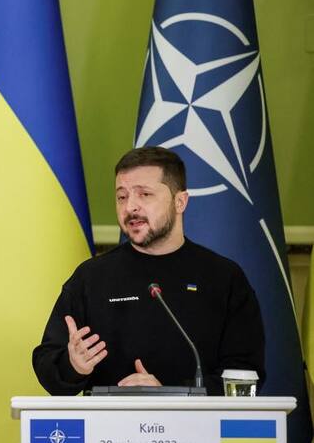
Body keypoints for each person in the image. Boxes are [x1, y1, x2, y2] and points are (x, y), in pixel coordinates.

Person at [32, 146, 264, 396]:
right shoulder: (92, 278)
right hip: (108, 429)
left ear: (180, 201)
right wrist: (73, 366)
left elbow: (246, 376)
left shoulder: (223, 278)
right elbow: (48, 365)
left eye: (144, 194)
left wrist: (170, 393)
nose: (131, 206)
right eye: (122, 197)